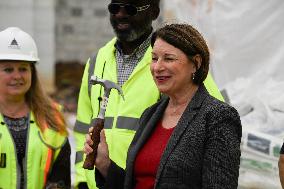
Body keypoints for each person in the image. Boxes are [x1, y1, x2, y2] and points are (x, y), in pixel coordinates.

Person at [74, 0, 224, 188]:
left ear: (154, 12)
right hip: (102, 182)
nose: (121, 14)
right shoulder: (98, 61)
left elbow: (215, 125)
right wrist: (82, 179)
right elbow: (82, 129)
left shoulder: (176, 65)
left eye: (130, 8)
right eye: (115, 8)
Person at [0, 27, 71, 189]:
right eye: (8, 69)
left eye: (23, 69)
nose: (17, 76)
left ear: (32, 72)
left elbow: (61, 177)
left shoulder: (52, 117)